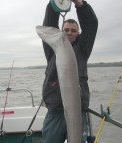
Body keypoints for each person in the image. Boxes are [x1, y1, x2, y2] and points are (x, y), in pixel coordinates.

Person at [41, 0, 98, 143]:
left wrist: (80, 3)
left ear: (78, 33)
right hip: (55, 112)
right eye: (66, 30)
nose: (69, 33)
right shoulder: (52, 47)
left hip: (78, 112)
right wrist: (54, 5)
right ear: (61, 31)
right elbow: (49, 24)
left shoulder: (83, 49)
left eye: (73, 30)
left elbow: (91, 24)